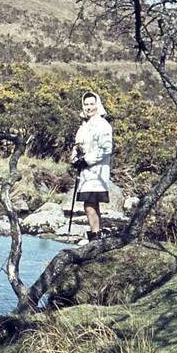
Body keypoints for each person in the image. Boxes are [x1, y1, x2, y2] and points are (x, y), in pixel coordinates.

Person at [70, 91, 113, 243]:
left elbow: (106, 149)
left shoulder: (103, 125)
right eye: (86, 104)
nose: (89, 107)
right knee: (91, 204)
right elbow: (77, 146)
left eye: (91, 104)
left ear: (97, 105)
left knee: (89, 205)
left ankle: (95, 237)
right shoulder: (83, 127)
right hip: (85, 172)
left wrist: (87, 160)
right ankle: (97, 235)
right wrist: (75, 159)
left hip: (97, 172)